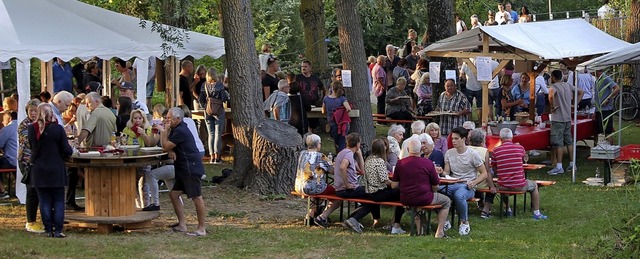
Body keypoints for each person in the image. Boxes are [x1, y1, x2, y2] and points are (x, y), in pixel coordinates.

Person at [157, 107, 207, 237]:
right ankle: (182, 224)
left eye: (169, 118)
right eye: (166, 118)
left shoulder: (180, 131)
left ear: (178, 119)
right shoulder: (177, 129)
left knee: (196, 197)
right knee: (173, 195)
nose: (167, 120)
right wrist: (171, 150)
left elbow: (164, 146)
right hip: (183, 168)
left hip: (191, 167)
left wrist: (164, 131)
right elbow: (169, 147)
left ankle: (201, 228)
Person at [28, 103, 73, 238]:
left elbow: (32, 147)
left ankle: (48, 229)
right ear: (51, 114)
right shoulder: (57, 129)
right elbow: (66, 150)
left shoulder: (32, 128)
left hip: (39, 169)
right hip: (56, 168)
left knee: (44, 200)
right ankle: (58, 230)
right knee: (58, 200)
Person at [392, 137, 451, 238]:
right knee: (446, 201)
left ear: (407, 150)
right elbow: (436, 186)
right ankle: (440, 231)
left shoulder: (400, 163)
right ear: (421, 150)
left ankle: (420, 230)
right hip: (424, 197)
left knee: (417, 204)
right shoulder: (428, 163)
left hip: (406, 198)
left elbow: (394, 185)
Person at [487, 128, 548, 220]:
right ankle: (536, 212)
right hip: (519, 184)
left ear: (500, 138)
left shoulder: (496, 151)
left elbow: (495, 169)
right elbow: (524, 160)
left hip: (503, 185)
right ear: (512, 137)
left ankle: (508, 209)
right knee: (534, 185)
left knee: (502, 185)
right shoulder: (520, 148)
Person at [440, 127, 487, 236]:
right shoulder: (449, 153)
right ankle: (445, 220)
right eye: (452, 139)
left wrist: (474, 182)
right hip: (452, 183)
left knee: (459, 195)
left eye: (456, 139)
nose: (453, 141)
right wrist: (441, 171)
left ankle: (464, 222)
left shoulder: (473, 154)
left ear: (464, 139)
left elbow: (484, 173)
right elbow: (447, 172)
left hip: (467, 185)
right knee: (434, 193)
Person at [294, 134, 341, 227]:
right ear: (317, 145)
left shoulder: (302, 154)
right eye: (320, 143)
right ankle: (322, 217)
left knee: (316, 189)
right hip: (312, 187)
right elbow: (332, 171)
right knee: (338, 195)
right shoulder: (321, 156)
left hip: (299, 186)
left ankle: (310, 215)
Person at [364, 139, 405, 234]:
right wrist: (397, 185)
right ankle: (396, 224)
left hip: (369, 191)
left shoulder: (368, 159)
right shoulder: (379, 161)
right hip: (378, 193)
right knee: (403, 194)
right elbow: (385, 181)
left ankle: (389, 222)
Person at [547, 70, 584, 175]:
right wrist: (575, 104)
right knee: (569, 141)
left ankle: (559, 166)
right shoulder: (567, 85)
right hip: (568, 118)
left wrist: (552, 106)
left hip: (557, 118)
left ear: (553, 77)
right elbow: (581, 92)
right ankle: (573, 164)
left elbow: (550, 95)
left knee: (558, 143)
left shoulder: (554, 87)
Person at [333, 133, 371, 233]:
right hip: (346, 189)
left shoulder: (344, 153)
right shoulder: (348, 154)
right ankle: (353, 219)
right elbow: (342, 167)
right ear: (358, 144)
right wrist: (346, 184)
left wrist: (359, 154)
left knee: (368, 196)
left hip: (342, 188)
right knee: (374, 196)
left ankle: (351, 219)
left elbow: (362, 171)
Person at [18, 99, 44, 232]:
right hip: (27, 161)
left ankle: (40, 219)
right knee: (31, 191)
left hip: (39, 161)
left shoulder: (42, 123)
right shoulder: (24, 125)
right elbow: (30, 142)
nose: (33, 113)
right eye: (31, 111)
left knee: (39, 190)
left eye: (35, 110)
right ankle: (30, 221)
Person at [199, 67, 230, 164]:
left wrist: (206, 106)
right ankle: (217, 156)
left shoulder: (204, 85)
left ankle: (211, 157)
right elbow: (224, 98)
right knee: (218, 134)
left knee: (210, 134)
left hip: (207, 111)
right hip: (219, 111)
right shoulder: (219, 85)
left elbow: (201, 99)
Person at [322, 81, 351, 153]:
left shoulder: (326, 99)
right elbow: (348, 108)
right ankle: (341, 156)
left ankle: (338, 155)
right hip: (341, 123)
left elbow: (323, 111)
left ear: (332, 88)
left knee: (336, 140)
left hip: (331, 122)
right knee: (342, 140)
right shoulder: (342, 99)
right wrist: (341, 113)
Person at [297, 60, 326, 131]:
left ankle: (313, 138)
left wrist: (323, 99)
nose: (303, 68)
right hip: (302, 104)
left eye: (305, 66)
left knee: (313, 124)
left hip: (314, 103)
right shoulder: (298, 78)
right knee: (305, 123)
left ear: (310, 68)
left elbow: (323, 88)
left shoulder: (315, 78)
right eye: (302, 67)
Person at [593, 70, 621, 143]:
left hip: (605, 110)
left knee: (607, 133)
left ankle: (610, 150)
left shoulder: (605, 78)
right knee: (598, 131)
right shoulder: (597, 80)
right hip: (599, 109)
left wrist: (608, 98)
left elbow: (617, 88)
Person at [0, 111, 17, 198]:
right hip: (24, 160)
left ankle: (2, 191)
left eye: (4, 120)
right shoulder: (26, 126)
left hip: (12, 161)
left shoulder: (7, 129)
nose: (2, 122)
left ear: (10, 118)